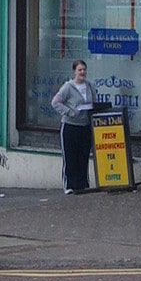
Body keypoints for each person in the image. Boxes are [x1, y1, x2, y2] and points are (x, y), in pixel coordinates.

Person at [50, 60, 95, 194]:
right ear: (74, 71)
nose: (82, 72)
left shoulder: (90, 86)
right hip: (70, 126)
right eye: (80, 70)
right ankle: (69, 185)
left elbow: (95, 103)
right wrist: (70, 112)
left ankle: (82, 184)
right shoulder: (68, 87)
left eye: (84, 70)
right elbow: (55, 102)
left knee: (83, 155)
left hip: (85, 126)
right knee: (70, 156)